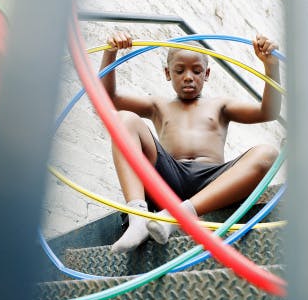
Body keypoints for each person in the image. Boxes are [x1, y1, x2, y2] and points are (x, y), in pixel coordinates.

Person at [100, 32, 282, 253]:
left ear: (207, 74)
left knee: (268, 153)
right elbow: (107, 97)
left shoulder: (220, 105)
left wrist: (271, 66)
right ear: (168, 73)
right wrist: (110, 52)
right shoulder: (158, 105)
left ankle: (176, 217)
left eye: (196, 71)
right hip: (169, 178)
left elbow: (268, 111)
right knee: (124, 119)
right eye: (179, 71)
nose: (188, 77)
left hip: (212, 181)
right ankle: (138, 216)